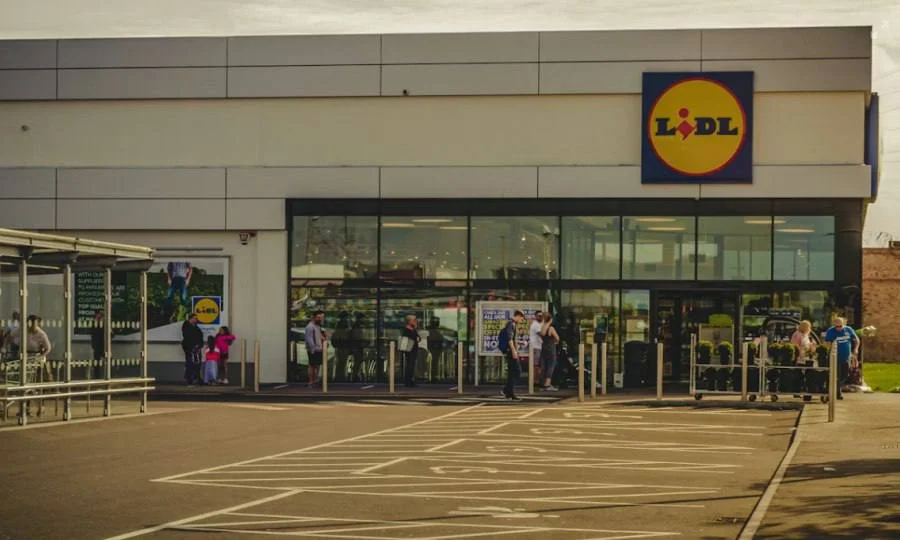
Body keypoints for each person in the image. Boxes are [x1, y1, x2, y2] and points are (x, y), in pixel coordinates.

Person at [824, 317, 860, 400]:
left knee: (845, 375)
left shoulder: (848, 329)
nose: (838, 328)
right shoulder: (831, 331)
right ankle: (836, 392)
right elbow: (827, 342)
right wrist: (830, 349)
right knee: (835, 375)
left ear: (844, 324)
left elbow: (856, 340)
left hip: (846, 357)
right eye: (836, 326)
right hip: (835, 357)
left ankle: (836, 389)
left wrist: (856, 349)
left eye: (840, 326)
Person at [10, 315, 52, 382]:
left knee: (34, 375)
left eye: (33, 325)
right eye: (29, 325)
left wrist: (41, 356)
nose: (31, 327)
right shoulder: (22, 330)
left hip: (36, 356)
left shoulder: (41, 334)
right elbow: (10, 335)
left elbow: (48, 348)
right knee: (22, 374)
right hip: (24, 355)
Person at [499, 310, 525, 401]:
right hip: (510, 351)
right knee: (517, 371)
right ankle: (507, 390)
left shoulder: (512, 324)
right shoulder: (511, 324)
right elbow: (509, 339)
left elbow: (513, 339)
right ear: (518, 316)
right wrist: (514, 351)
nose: (521, 321)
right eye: (521, 319)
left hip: (511, 351)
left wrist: (520, 343)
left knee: (512, 373)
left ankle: (509, 392)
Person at [181, 313, 203, 385]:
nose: (196, 320)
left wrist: (199, 345)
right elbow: (188, 337)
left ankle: (196, 378)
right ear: (190, 319)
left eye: (196, 318)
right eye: (195, 318)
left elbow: (200, 337)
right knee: (190, 364)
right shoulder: (186, 327)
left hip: (197, 349)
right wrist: (193, 346)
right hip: (190, 349)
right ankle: (189, 380)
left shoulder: (197, 328)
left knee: (197, 364)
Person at [305, 310, 325, 387]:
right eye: (319, 317)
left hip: (318, 348)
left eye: (322, 317)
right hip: (314, 349)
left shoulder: (318, 326)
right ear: (314, 317)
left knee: (317, 365)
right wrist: (312, 349)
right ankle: (311, 381)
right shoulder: (310, 327)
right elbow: (309, 338)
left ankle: (315, 380)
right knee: (312, 365)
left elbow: (319, 336)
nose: (321, 319)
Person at [540, 314, 560, 391]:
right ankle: (547, 384)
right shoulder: (551, 328)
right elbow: (557, 338)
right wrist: (555, 342)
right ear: (550, 319)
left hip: (544, 347)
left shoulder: (542, 327)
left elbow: (541, 335)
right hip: (551, 348)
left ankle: (543, 383)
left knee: (544, 366)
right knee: (551, 365)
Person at [400, 314, 421, 387]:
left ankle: (410, 380)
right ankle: (408, 381)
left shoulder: (413, 329)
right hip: (409, 350)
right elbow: (414, 338)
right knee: (410, 365)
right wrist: (416, 338)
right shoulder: (407, 330)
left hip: (413, 349)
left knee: (411, 365)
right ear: (409, 321)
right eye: (414, 320)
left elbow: (418, 338)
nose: (416, 321)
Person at [332, 312, 351, 383]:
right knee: (342, 362)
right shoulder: (344, 324)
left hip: (339, 346)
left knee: (340, 363)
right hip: (343, 346)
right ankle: (341, 377)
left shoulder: (338, 324)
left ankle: (339, 377)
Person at [529, 311, 544, 388]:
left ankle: (536, 380)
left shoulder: (539, 324)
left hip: (539, 347)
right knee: (536, 365)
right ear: (535, 316)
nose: (541, 317)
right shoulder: (536, 325)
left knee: (538, 365)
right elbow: (542, 334)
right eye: (539, 315)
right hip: (536, 347)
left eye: (542, 315)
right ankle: (535, 381)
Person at [90, 310, 106, 379]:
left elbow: (112, 334)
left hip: (104, 345)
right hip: (97, 345)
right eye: (99, 315)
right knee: (97, 361)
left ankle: (108, 374)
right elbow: (93, 333)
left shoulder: (105, 324)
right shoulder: (94, 323)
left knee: (108, 359)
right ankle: (97, 376)